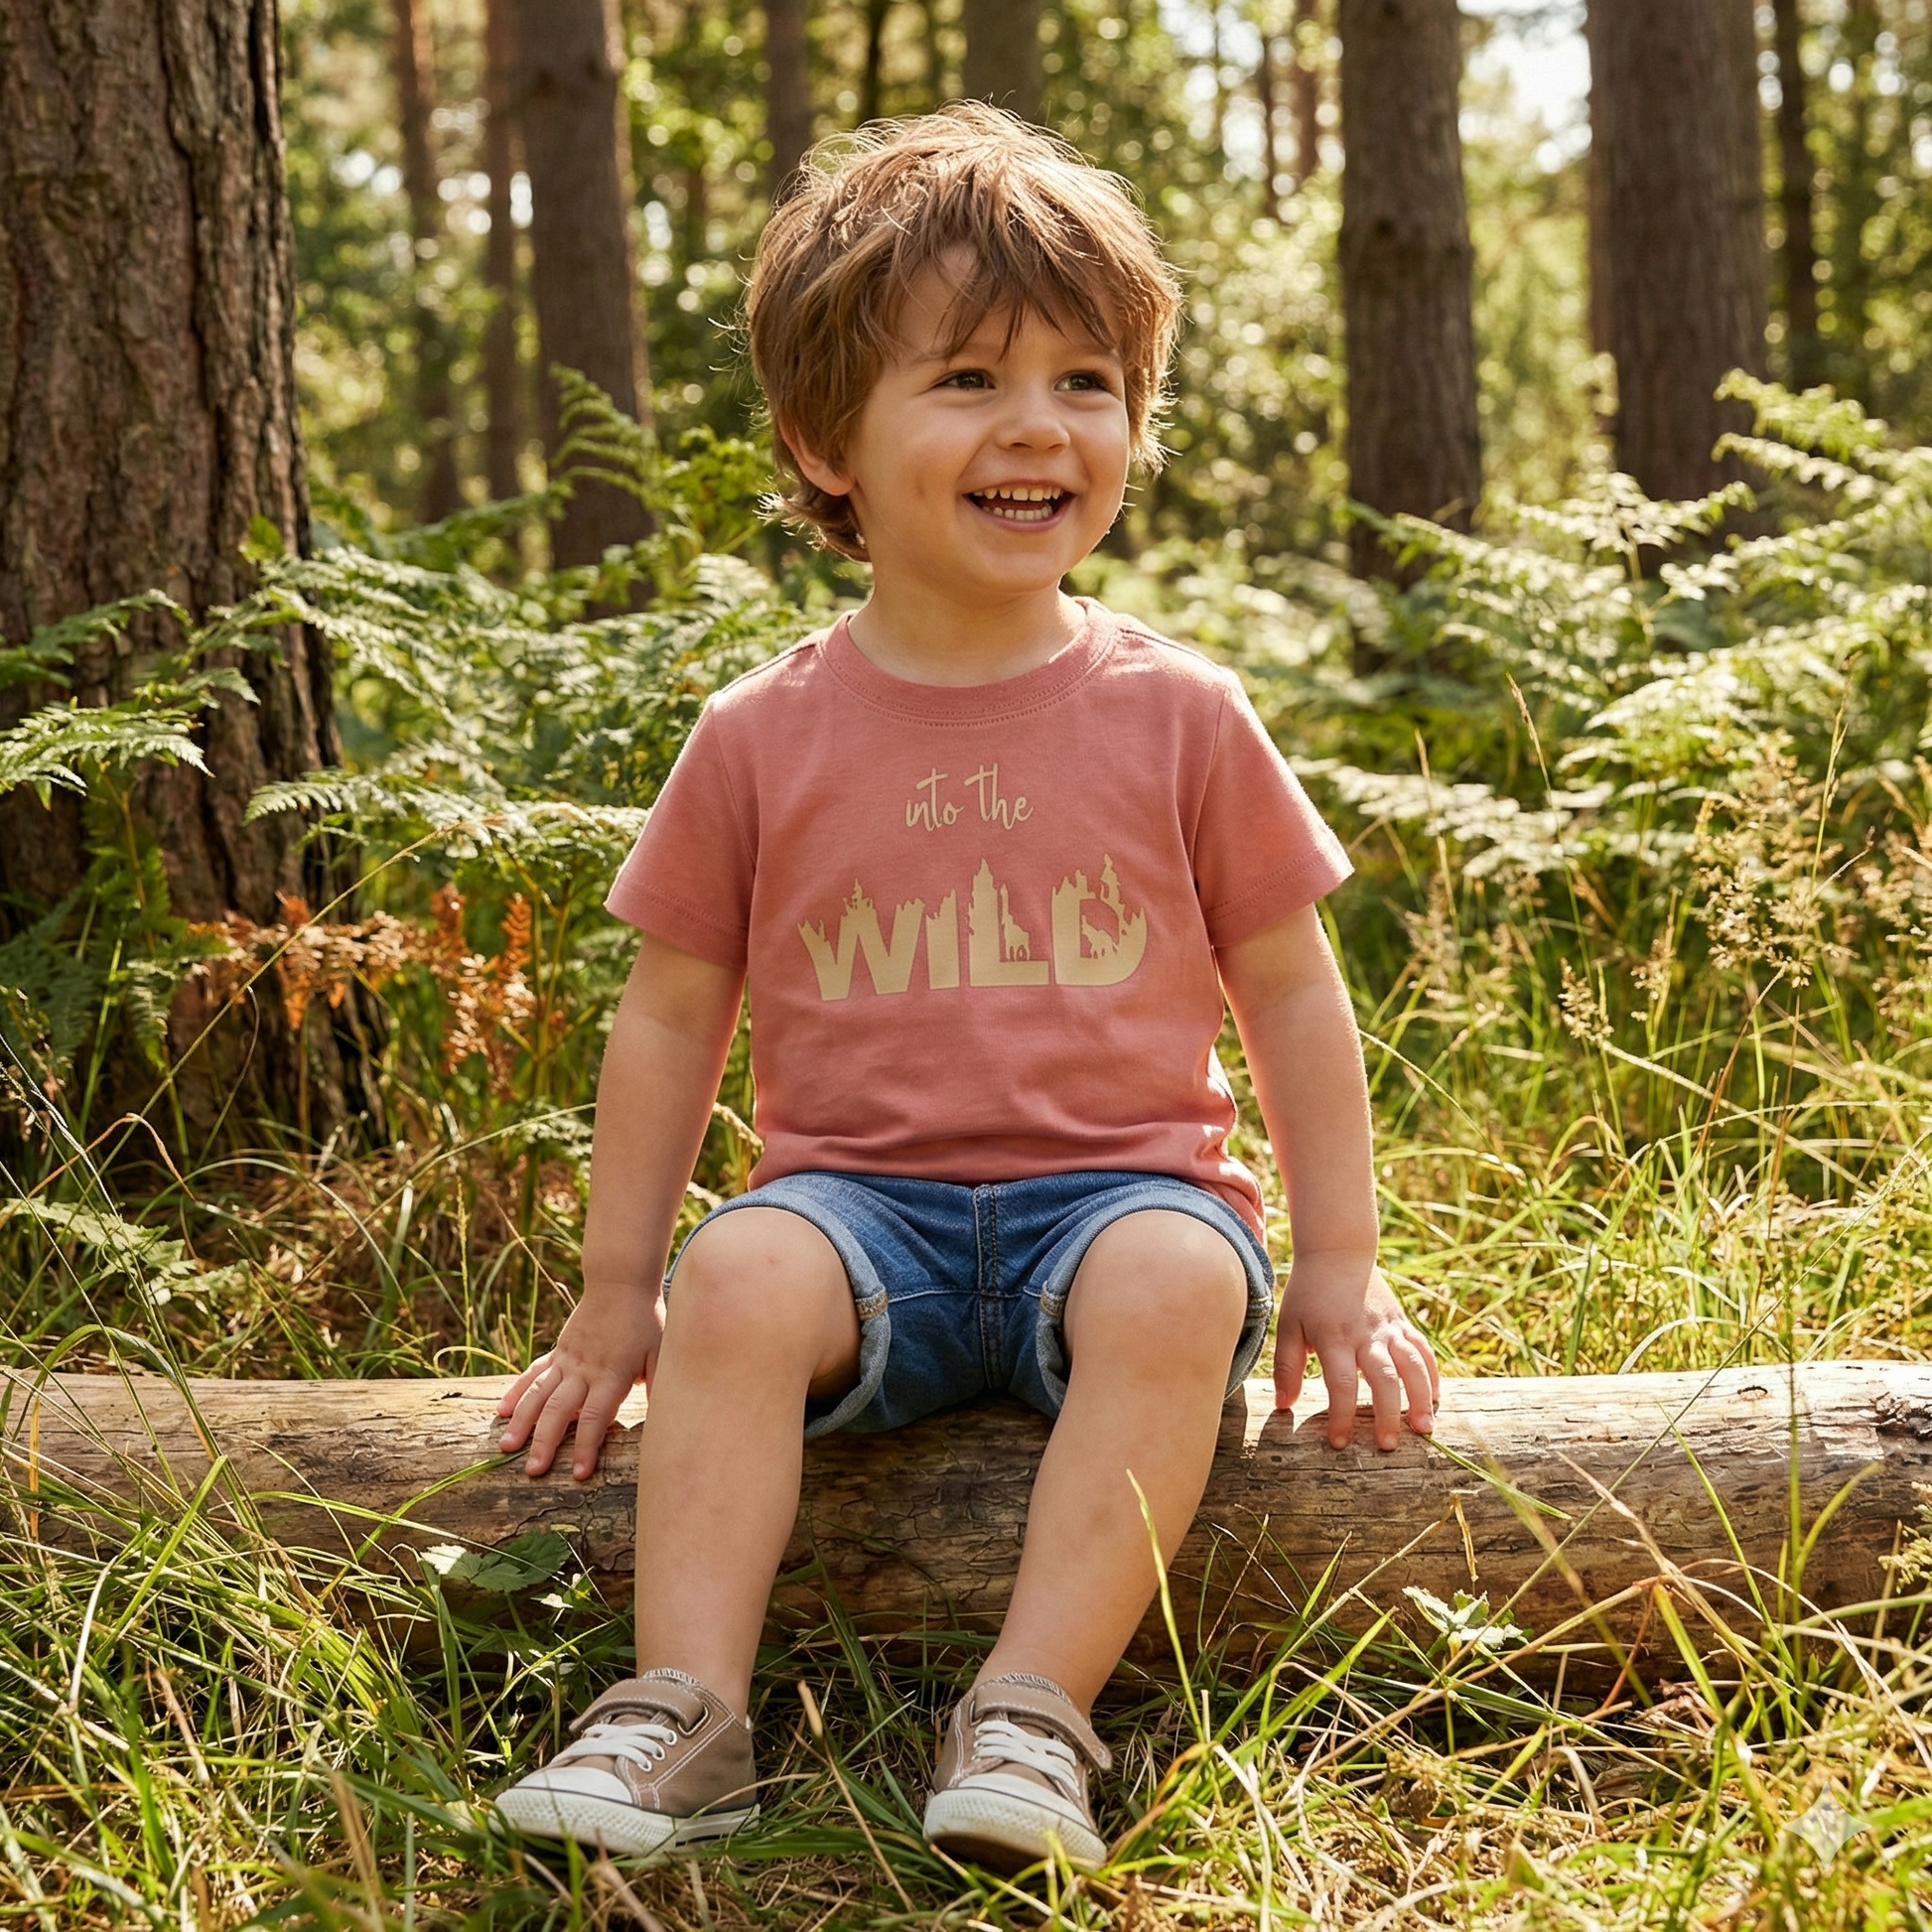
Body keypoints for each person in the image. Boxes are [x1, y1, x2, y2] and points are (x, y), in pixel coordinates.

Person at [490, 102, 1439, 1872]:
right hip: (861, 1218)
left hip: (1123, 1199)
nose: (1039, 426)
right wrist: (618, 1297)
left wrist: (1336, 1264)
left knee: (1168, 1282)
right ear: (818, 439)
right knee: (738, 1269)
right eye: (969, 379)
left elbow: (1294, 994)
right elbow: (670, 1014)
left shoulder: (1179, 714)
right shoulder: (762, 736)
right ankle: (680, 1707)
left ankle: (1027, 1712)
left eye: (1088, 381)